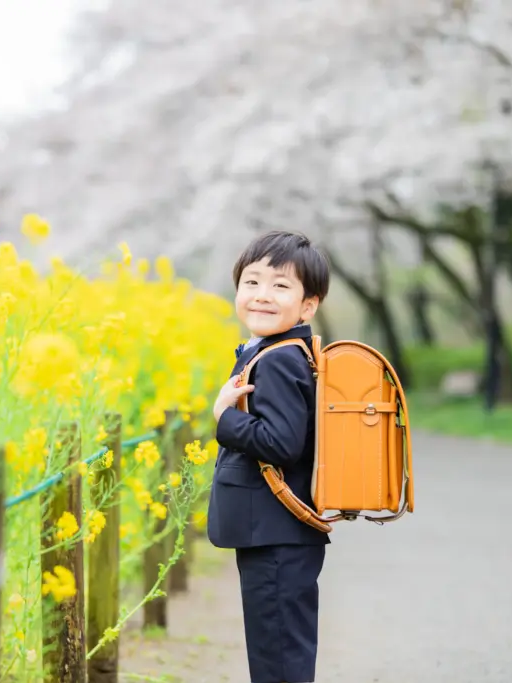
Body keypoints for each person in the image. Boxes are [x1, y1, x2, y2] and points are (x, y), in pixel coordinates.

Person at [207, 230, 331, 683]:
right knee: (280, 654)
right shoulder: (276, 351)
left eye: (280, 286)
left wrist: (224, 418)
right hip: (278, 532)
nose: (262, 295)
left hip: (276, 534)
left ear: (308, 305)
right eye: (252, 282)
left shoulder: (279, 358)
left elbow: (281, 443)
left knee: (278, 660)